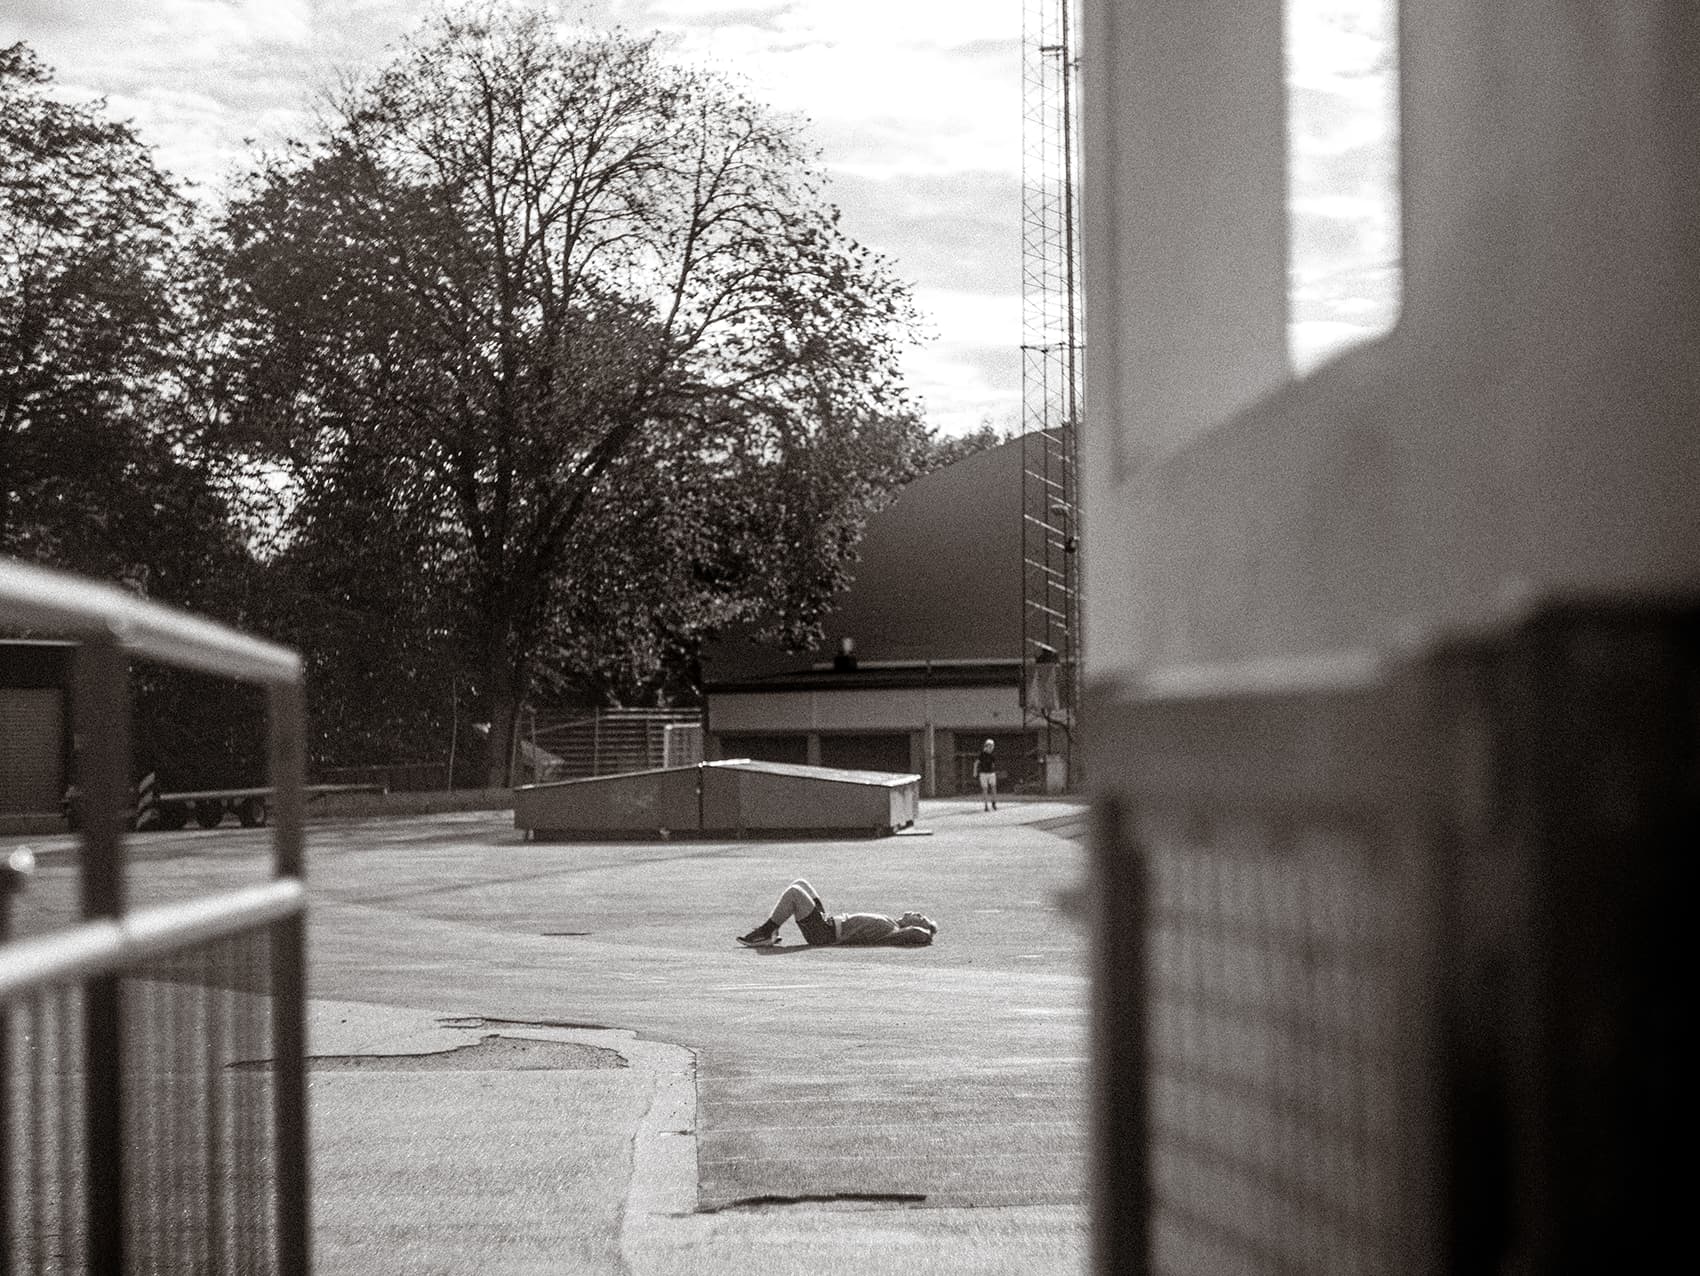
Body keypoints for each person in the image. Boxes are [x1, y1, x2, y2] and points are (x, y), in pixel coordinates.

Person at [736, 879, 937, 948]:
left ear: (914, 925)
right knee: (801, 883)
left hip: (824, 934)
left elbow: (917, 934)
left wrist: (926, 931)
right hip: (827, 923)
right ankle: (771, 932)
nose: (917, 913)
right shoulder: (891, 921)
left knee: (794, 893)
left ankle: (766, 932)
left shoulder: (893, 930)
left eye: (920, 917)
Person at [974, 738, 999, 810]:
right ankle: (986, 805)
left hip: (991, 773)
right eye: (989, 746)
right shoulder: (982, 754)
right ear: (986, 746)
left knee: (993, 787)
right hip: (983, 774)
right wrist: (975, 772)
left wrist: (994, 771)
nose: (991, 747)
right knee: (985, 789)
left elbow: (993, 764)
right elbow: (976, 763)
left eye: (992, 746)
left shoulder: (993, 755)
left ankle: (994, 803)